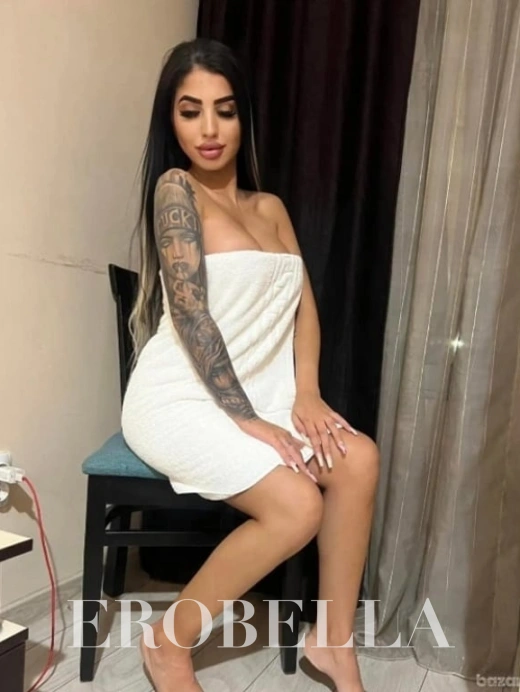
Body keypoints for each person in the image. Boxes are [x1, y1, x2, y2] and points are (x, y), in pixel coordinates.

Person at [121, 37, 379, 692]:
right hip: (180, 396)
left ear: (244, 117)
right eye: (190, 111)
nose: (209, 129)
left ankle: (333, 643)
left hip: (263, 393)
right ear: (171, 120)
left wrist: (307, 393)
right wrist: (248, 420)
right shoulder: (176, 190)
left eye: (225, 110)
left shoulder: (271, 208)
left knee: (359, 459)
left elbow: (304, 309)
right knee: (297, 506)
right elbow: (191, 315)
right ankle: (168, 642)